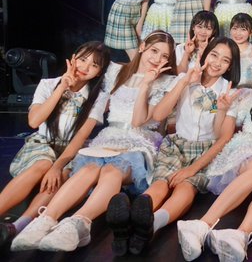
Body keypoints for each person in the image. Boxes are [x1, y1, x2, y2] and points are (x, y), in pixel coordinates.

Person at [11, 31, 177, 252]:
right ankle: (45, 219)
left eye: (164, 56)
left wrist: (147, 84)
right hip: (109, 137)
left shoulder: (167, 82)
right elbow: (96, 105)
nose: (157, 59)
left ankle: (79, 223)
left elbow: (141, 120)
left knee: (112, 170)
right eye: (154, 51)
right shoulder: (116, 72)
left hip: (139, 141)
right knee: (88, 169)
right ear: (142, 47)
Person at [105, 37, 241, 255]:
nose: (217, 63)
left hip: (206, 152)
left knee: (186, 187)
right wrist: (184, 82)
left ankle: (151, 224)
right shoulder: (185, 78)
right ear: (205, 54)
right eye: (214, 55)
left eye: (225, 60)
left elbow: (223, 138)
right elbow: (159, 115)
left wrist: (192, 168)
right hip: (176, 145)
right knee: (161, 183)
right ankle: (132, 218)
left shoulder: (229, 92)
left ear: (230, 66)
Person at [177, 46, 252, 262]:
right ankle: (201, 225)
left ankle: (239, 235)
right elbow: (221, 133)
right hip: (247, 147)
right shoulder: (245, 95)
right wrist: (222, 110)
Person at [0, 42, 111, 246]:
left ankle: (18, 226)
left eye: (94, 65)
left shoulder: (98, 97)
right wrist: (62, 88)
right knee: (43, 164)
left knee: (59, 177)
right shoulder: (48, 84)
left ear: (99, 72)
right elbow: (34, 121)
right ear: (73, 58)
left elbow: (80, 137)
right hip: (42, 144)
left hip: (70, 151)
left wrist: (58, 166)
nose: (85, 67)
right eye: (83, 59)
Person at [229, 13, 252, 88]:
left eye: (243, 29)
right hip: (229, 90)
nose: (238, 33)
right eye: (235, 28)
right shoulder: (225, 49)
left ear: (251, 32)